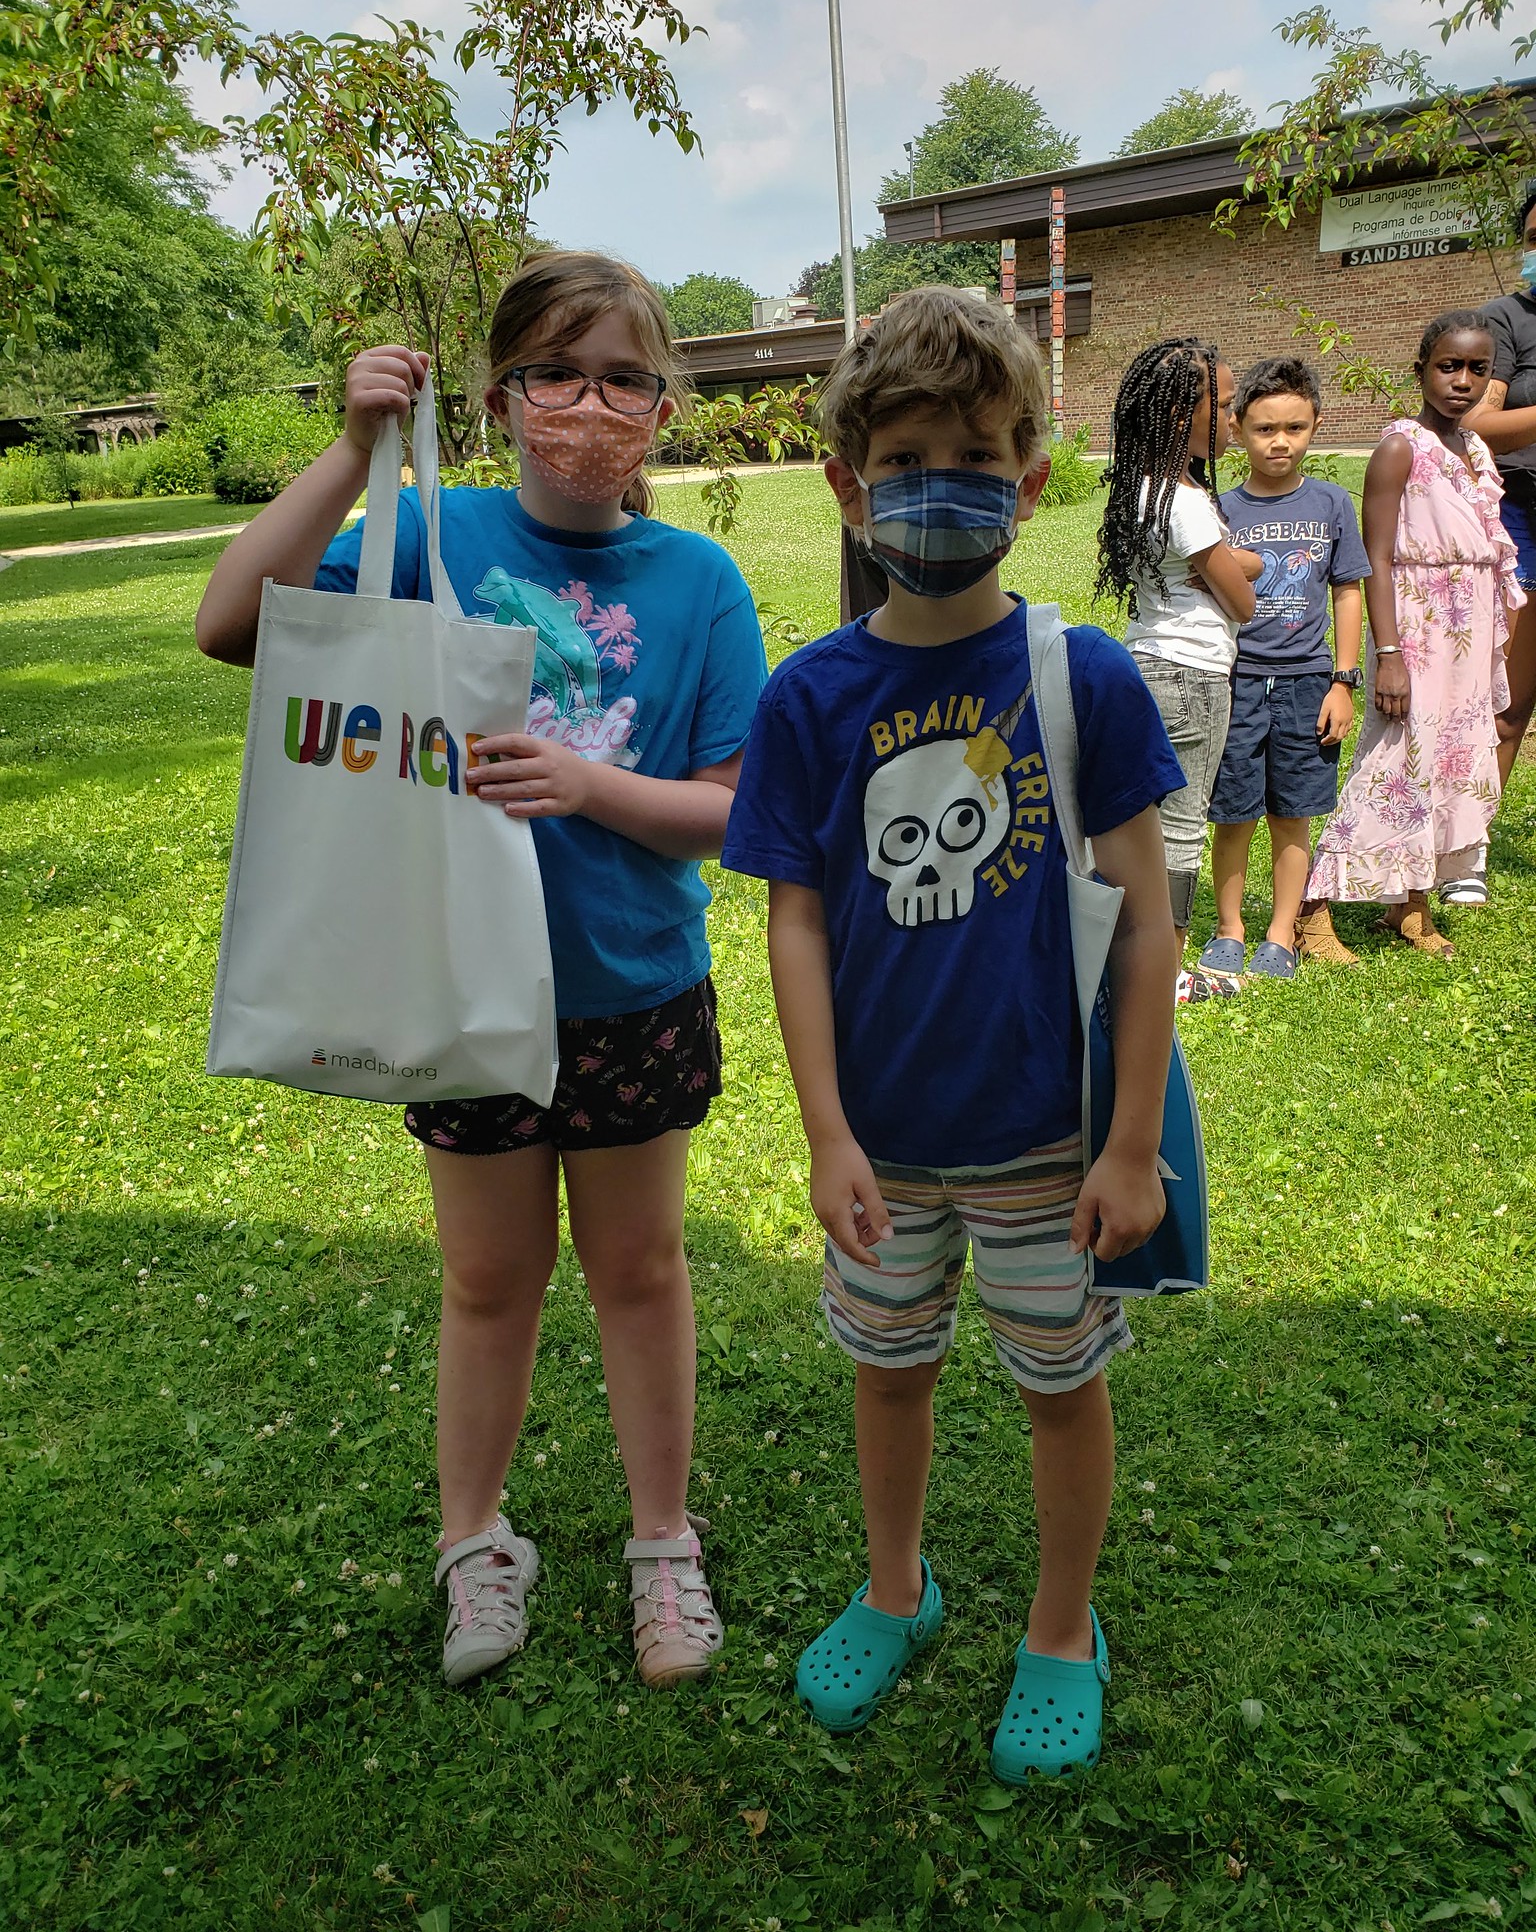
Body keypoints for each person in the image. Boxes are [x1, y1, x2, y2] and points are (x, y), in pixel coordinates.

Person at [196, 250, 768, 1689]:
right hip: (452, 986)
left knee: (640, 1271)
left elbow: (738, 803)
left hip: (633, 983)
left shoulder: (699, 581)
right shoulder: (425, 532)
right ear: (503, 394)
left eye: (624, 378)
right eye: (557, 374)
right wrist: (350, 454)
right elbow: (229, 625)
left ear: (664, 403)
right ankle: (475, 1548)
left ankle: (662, 1547)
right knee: (486, 1281)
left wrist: (590, 789)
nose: (590, 405)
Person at [721, 288, 1183, 1780]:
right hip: (886, 1148)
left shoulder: (1084, 676)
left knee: (1061, 1386)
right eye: (909, 454)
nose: (945, 484)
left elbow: (1147, 913)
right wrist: (828, 1132)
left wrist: (1126, 1143)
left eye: (980, 455)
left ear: (1033, 478)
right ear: (849, 481)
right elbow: (794, 918)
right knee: (889, 1370)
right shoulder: (810, 695)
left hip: (1050, 1141)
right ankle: (897, 1589)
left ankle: (1062, 1625)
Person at [1306, 310, 1524, 955]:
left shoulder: (1476, 448)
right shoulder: (1401, 446)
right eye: (1448, 366)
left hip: (1468, 625)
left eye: (1477, 370)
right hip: (1419, 624)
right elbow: (1373, 557)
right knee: (1396, 759)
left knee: (1446, 761)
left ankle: (1410, 904)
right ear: (1422, 369)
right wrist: (1390, 653)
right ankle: (1313, 906)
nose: (1462, 380)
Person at [1094, 338, 1264, 1001]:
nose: (1234, 416)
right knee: (1183, 829)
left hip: (1147, 665)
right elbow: (1245, 602)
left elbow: (1225, 571)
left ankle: (1140, 959)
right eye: (1222, 402)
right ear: (1175, 416)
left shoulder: (1147, 489)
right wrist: (1238, 562)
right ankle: (1164, 975)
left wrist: (1227, 562)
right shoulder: (1185, 503)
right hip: (1192, 679)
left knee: (1145, 824)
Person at [1198, 357, 1370, 980]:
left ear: (1317, 425)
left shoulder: (1330, 504)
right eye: (1265, 427)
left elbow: (1348, 590)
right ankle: (1229, 929)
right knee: (1235, 813)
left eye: (1295, 428)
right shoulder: (1217, 509)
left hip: (1308, 683)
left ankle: (1280, 933)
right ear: (1239, 427)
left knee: (1292, 814)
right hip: (1237, 681)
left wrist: (1343, 681)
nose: (1280, 441)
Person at [1468, 176, 1536, 858]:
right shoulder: (1504, 322)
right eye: (1533, 239)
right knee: (1508, 703)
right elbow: (1479, 423)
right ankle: (1472, 851)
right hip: (1521, 519)